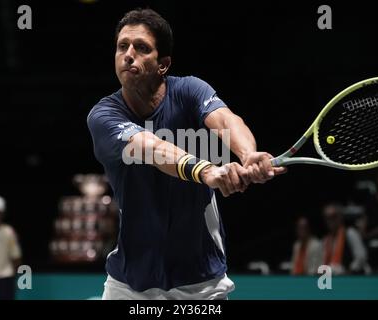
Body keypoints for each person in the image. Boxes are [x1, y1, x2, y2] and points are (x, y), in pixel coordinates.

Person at [87, 8, 286, 300]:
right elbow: (152, 148)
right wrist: (208, 171)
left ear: (163, 64)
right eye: (122, 46)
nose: (128, 54)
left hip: (201, 284)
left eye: (141, 48)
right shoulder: (103, 116)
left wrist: (248, 154)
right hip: (129, 286)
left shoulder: (190, 91)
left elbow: (227, 120)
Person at [321, 203, 367, 275]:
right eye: (327, 218)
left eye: (333, 216)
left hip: (348, 278)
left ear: (340, 217)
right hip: (329, 280)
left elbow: (361, 258)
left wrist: (349, 271)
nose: (330, 220)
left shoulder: (350, 233)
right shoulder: (326, 240)